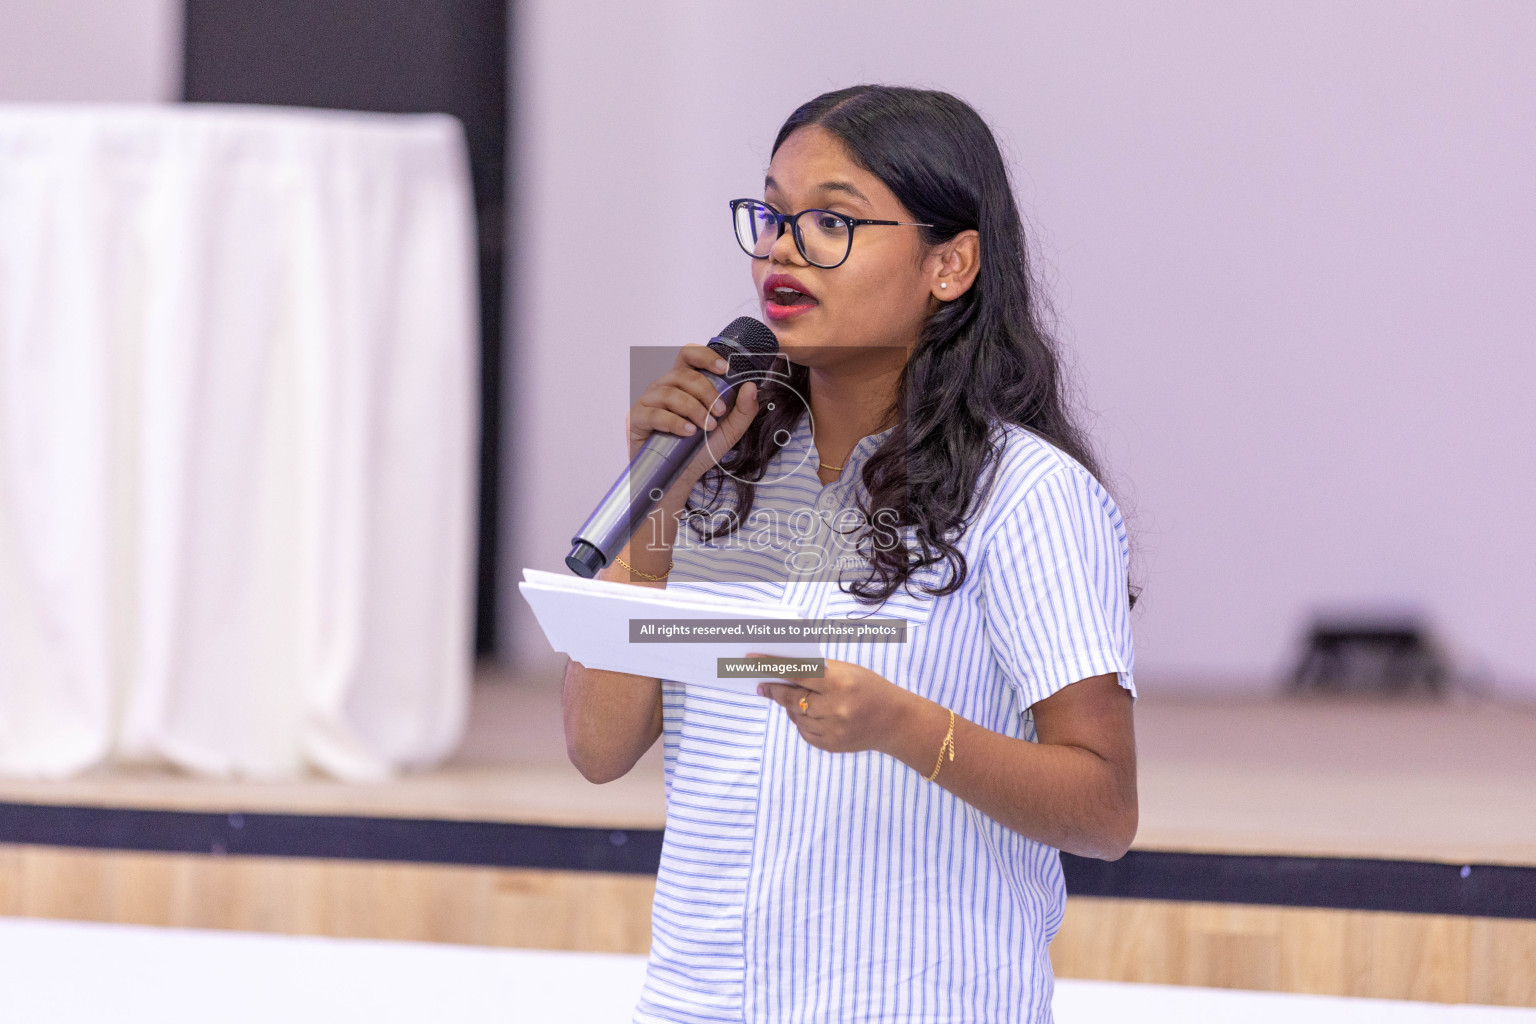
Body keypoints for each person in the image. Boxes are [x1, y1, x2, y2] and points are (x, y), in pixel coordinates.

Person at [562, 84, 1138, 1024]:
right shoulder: (716, 468)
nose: (781, 249)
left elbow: (1105, 810)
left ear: (950, 265)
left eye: (831, 220)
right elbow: (596, 748)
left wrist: (902, 726)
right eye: (773, 216)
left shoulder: (1029, 494)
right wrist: (656, 492)